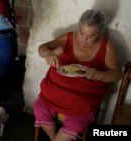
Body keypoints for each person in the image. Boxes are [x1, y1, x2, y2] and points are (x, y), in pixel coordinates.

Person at [33, 9, 122, 141]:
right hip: (52, 92)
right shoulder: (68, 37)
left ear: (99, 34)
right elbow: (42, 48)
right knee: (39, 108)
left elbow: (116, 74)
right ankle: (54, 138)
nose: (83, 38)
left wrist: (98, 75)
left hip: (82, 100)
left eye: (90, 36)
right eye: (81, 32)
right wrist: (48, 53)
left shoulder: (107, 47)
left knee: (76, 123)